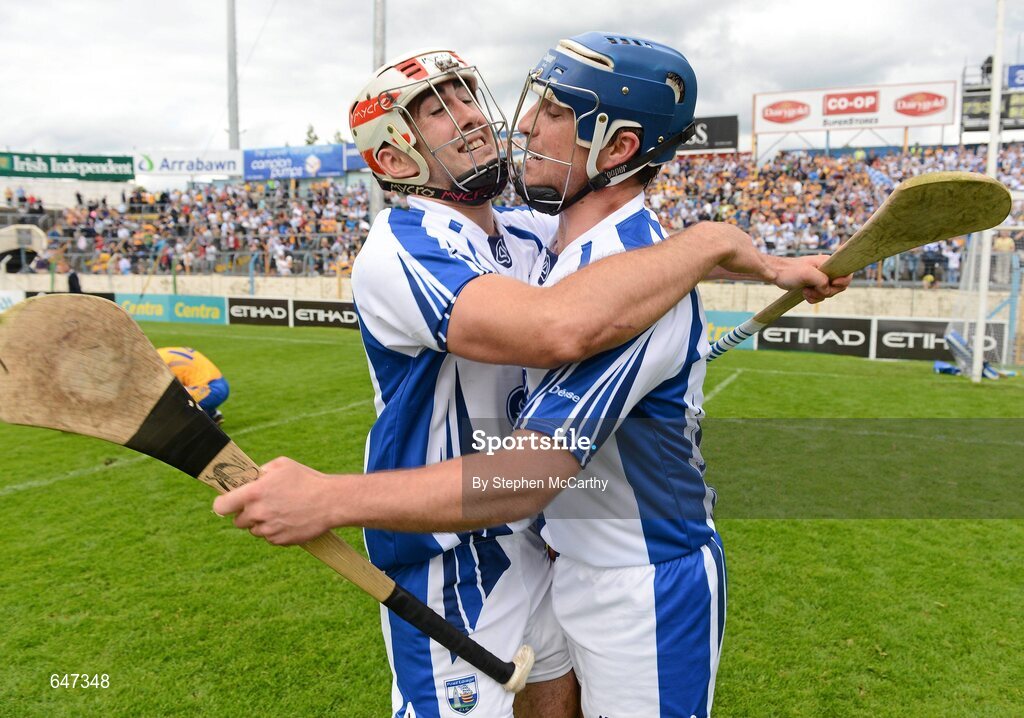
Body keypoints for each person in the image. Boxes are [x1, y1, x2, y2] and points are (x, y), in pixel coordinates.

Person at [213, 42, 846, 718]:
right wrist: (715, 245)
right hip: (450, 558)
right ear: (395, 160)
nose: (477, 118)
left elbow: (622, 250)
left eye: (464, 95)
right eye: (437, 110)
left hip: (539, 541)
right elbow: (557, 323)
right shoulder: (403, 248)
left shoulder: (525, 232)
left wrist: (761, 261)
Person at [157, 347, 229, 424]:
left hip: (211, 389)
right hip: (219, 382)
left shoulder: (160, 364)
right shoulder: (160, 354)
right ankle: (212, 414)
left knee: (173, 404)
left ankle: (206, 419)